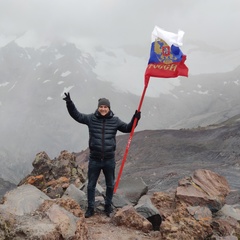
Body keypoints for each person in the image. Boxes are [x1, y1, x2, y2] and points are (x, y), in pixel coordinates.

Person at [63, 92, 141, 218]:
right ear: (98, 107)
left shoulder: (115, 121)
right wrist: (69, 103)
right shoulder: (91, 119)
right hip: (94, 159)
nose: (103, 109)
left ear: (109, 108)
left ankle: (108, 206)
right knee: (91, 185)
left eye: (105, 107)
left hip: (109, 160)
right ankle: (90, 208)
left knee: (110, 184)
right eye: (101, 106)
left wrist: (135, 118)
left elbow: (128, 128)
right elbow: (76, 116)